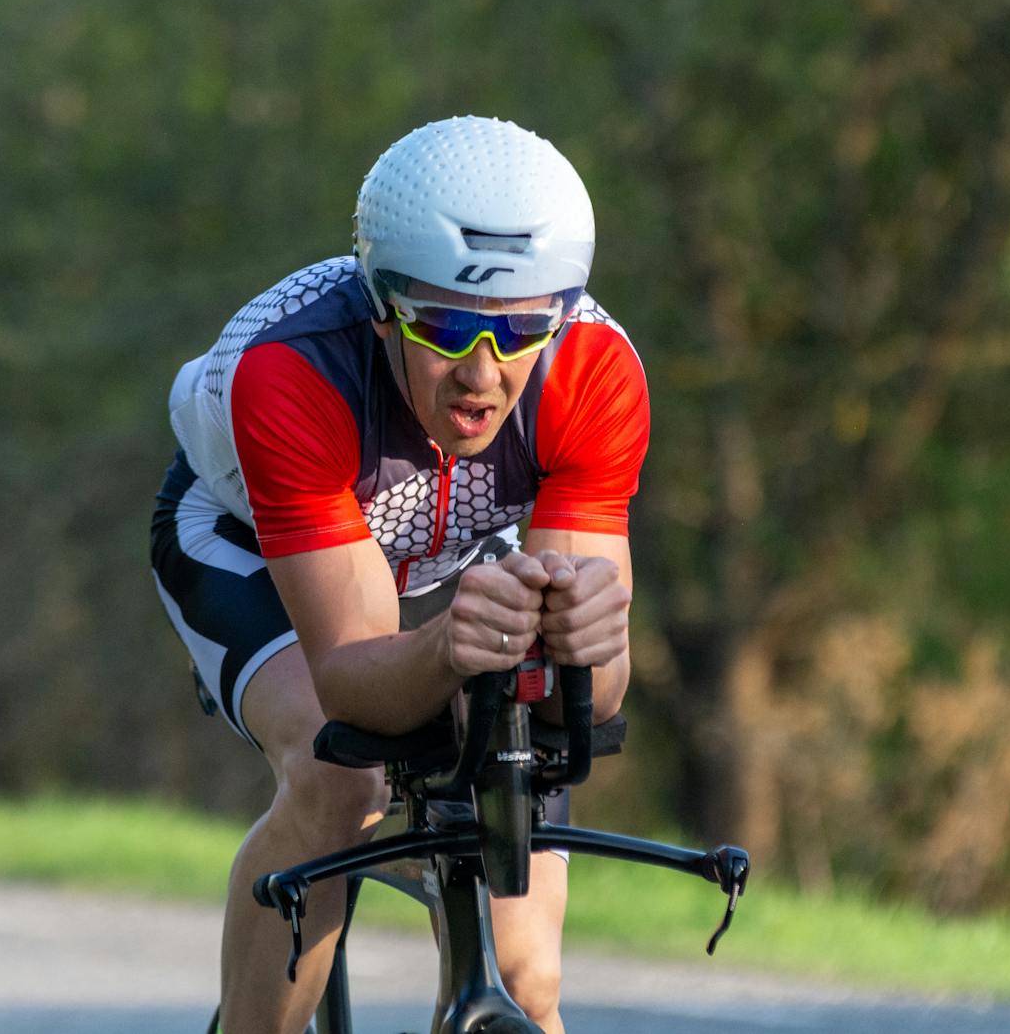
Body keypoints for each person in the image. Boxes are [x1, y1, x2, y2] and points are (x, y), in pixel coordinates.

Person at [150, 116, 646, 1034]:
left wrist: (591, 645)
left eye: (522, 328)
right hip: (249, 541)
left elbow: (594, 695)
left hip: (456, 552)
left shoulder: (594, 370)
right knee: (341, 779)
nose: (486, 374)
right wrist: (450, 653)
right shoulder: (293, 370)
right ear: (383, 305)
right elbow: (352, 682)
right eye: (452, 328)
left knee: (528, 977)